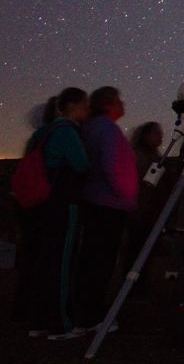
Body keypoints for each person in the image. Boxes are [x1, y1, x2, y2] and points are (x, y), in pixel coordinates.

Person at [68, 87, 139, 337]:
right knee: (100, 262)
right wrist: (126, 196)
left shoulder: (91, 127)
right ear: (109, 104)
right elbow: (110, 166)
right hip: (108, 205)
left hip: (96, 202)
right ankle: (93, 317)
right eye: (119, 99)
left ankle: (85, 312)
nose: (123, 103)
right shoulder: (106, 129)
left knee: (90, 259)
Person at [28, 87, 90, 339]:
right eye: (85, 104)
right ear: (73, 106)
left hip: (44, 204)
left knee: (46, 261)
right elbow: (82, 164)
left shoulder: (43, 132)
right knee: (62, 262)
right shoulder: (66, 132)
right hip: (64, 203)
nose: (87, 110)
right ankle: (61, 324)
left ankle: (39, 321)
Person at [11, 97, 59, 324]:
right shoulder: (56, 134)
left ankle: (23, 307)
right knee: (43, 258)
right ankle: (38, 310)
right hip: (46, 204)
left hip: (30, 204)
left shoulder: (37, 138)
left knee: (31, 257)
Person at [124, 121, 165, 295]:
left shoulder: (155, 156)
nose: (160, 137)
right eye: (156, 133)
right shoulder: (139, 156)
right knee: (136, 252)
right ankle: (134, 290)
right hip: (139, 212)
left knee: (143, 253)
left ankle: (138, 288)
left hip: (148, 212)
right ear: (146, 135)